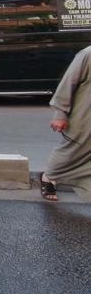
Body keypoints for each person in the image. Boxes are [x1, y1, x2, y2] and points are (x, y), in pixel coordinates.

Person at [41, 46, 91, 201]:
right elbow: (68, 83)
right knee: (73, 150)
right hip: (85, 115)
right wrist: (60, 113)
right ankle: (49, 176)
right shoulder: (87, 55)